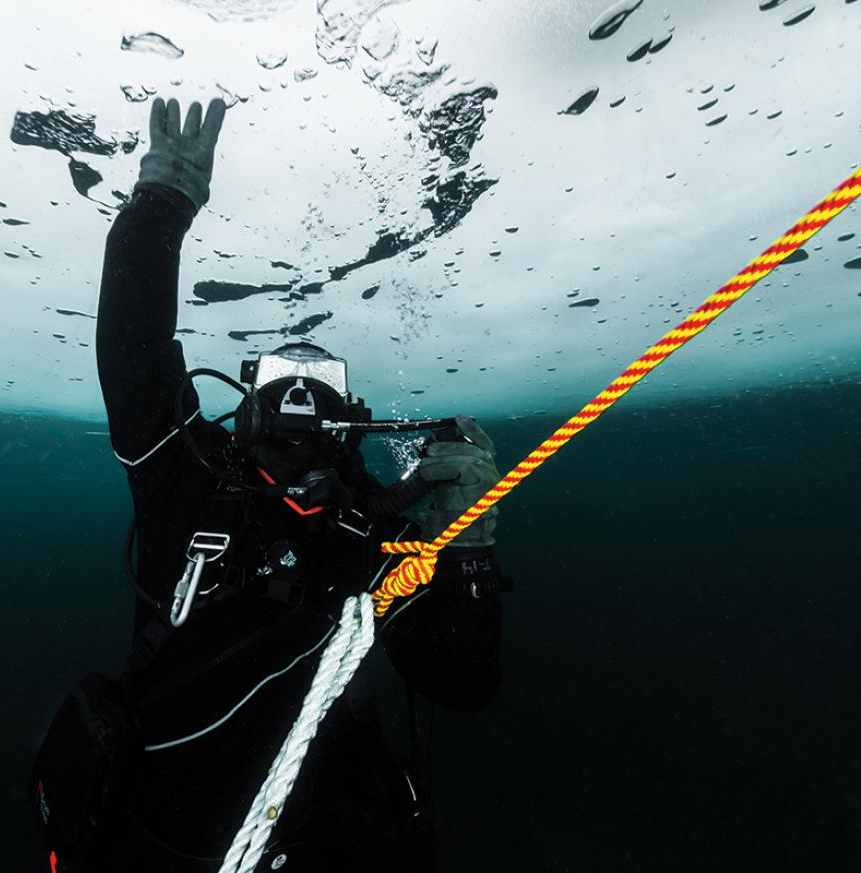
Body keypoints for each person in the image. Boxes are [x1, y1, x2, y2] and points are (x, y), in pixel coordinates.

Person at [33, 97, 509, 873]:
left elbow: (460, 679)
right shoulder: (187, 479)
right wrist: (161, 203)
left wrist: (469, 549)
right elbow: (137, 360)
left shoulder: (375, 537)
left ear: (350, 417)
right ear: (249, 403)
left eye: (320, 380)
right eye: (285, 378)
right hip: (158, 841)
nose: (301, 393)